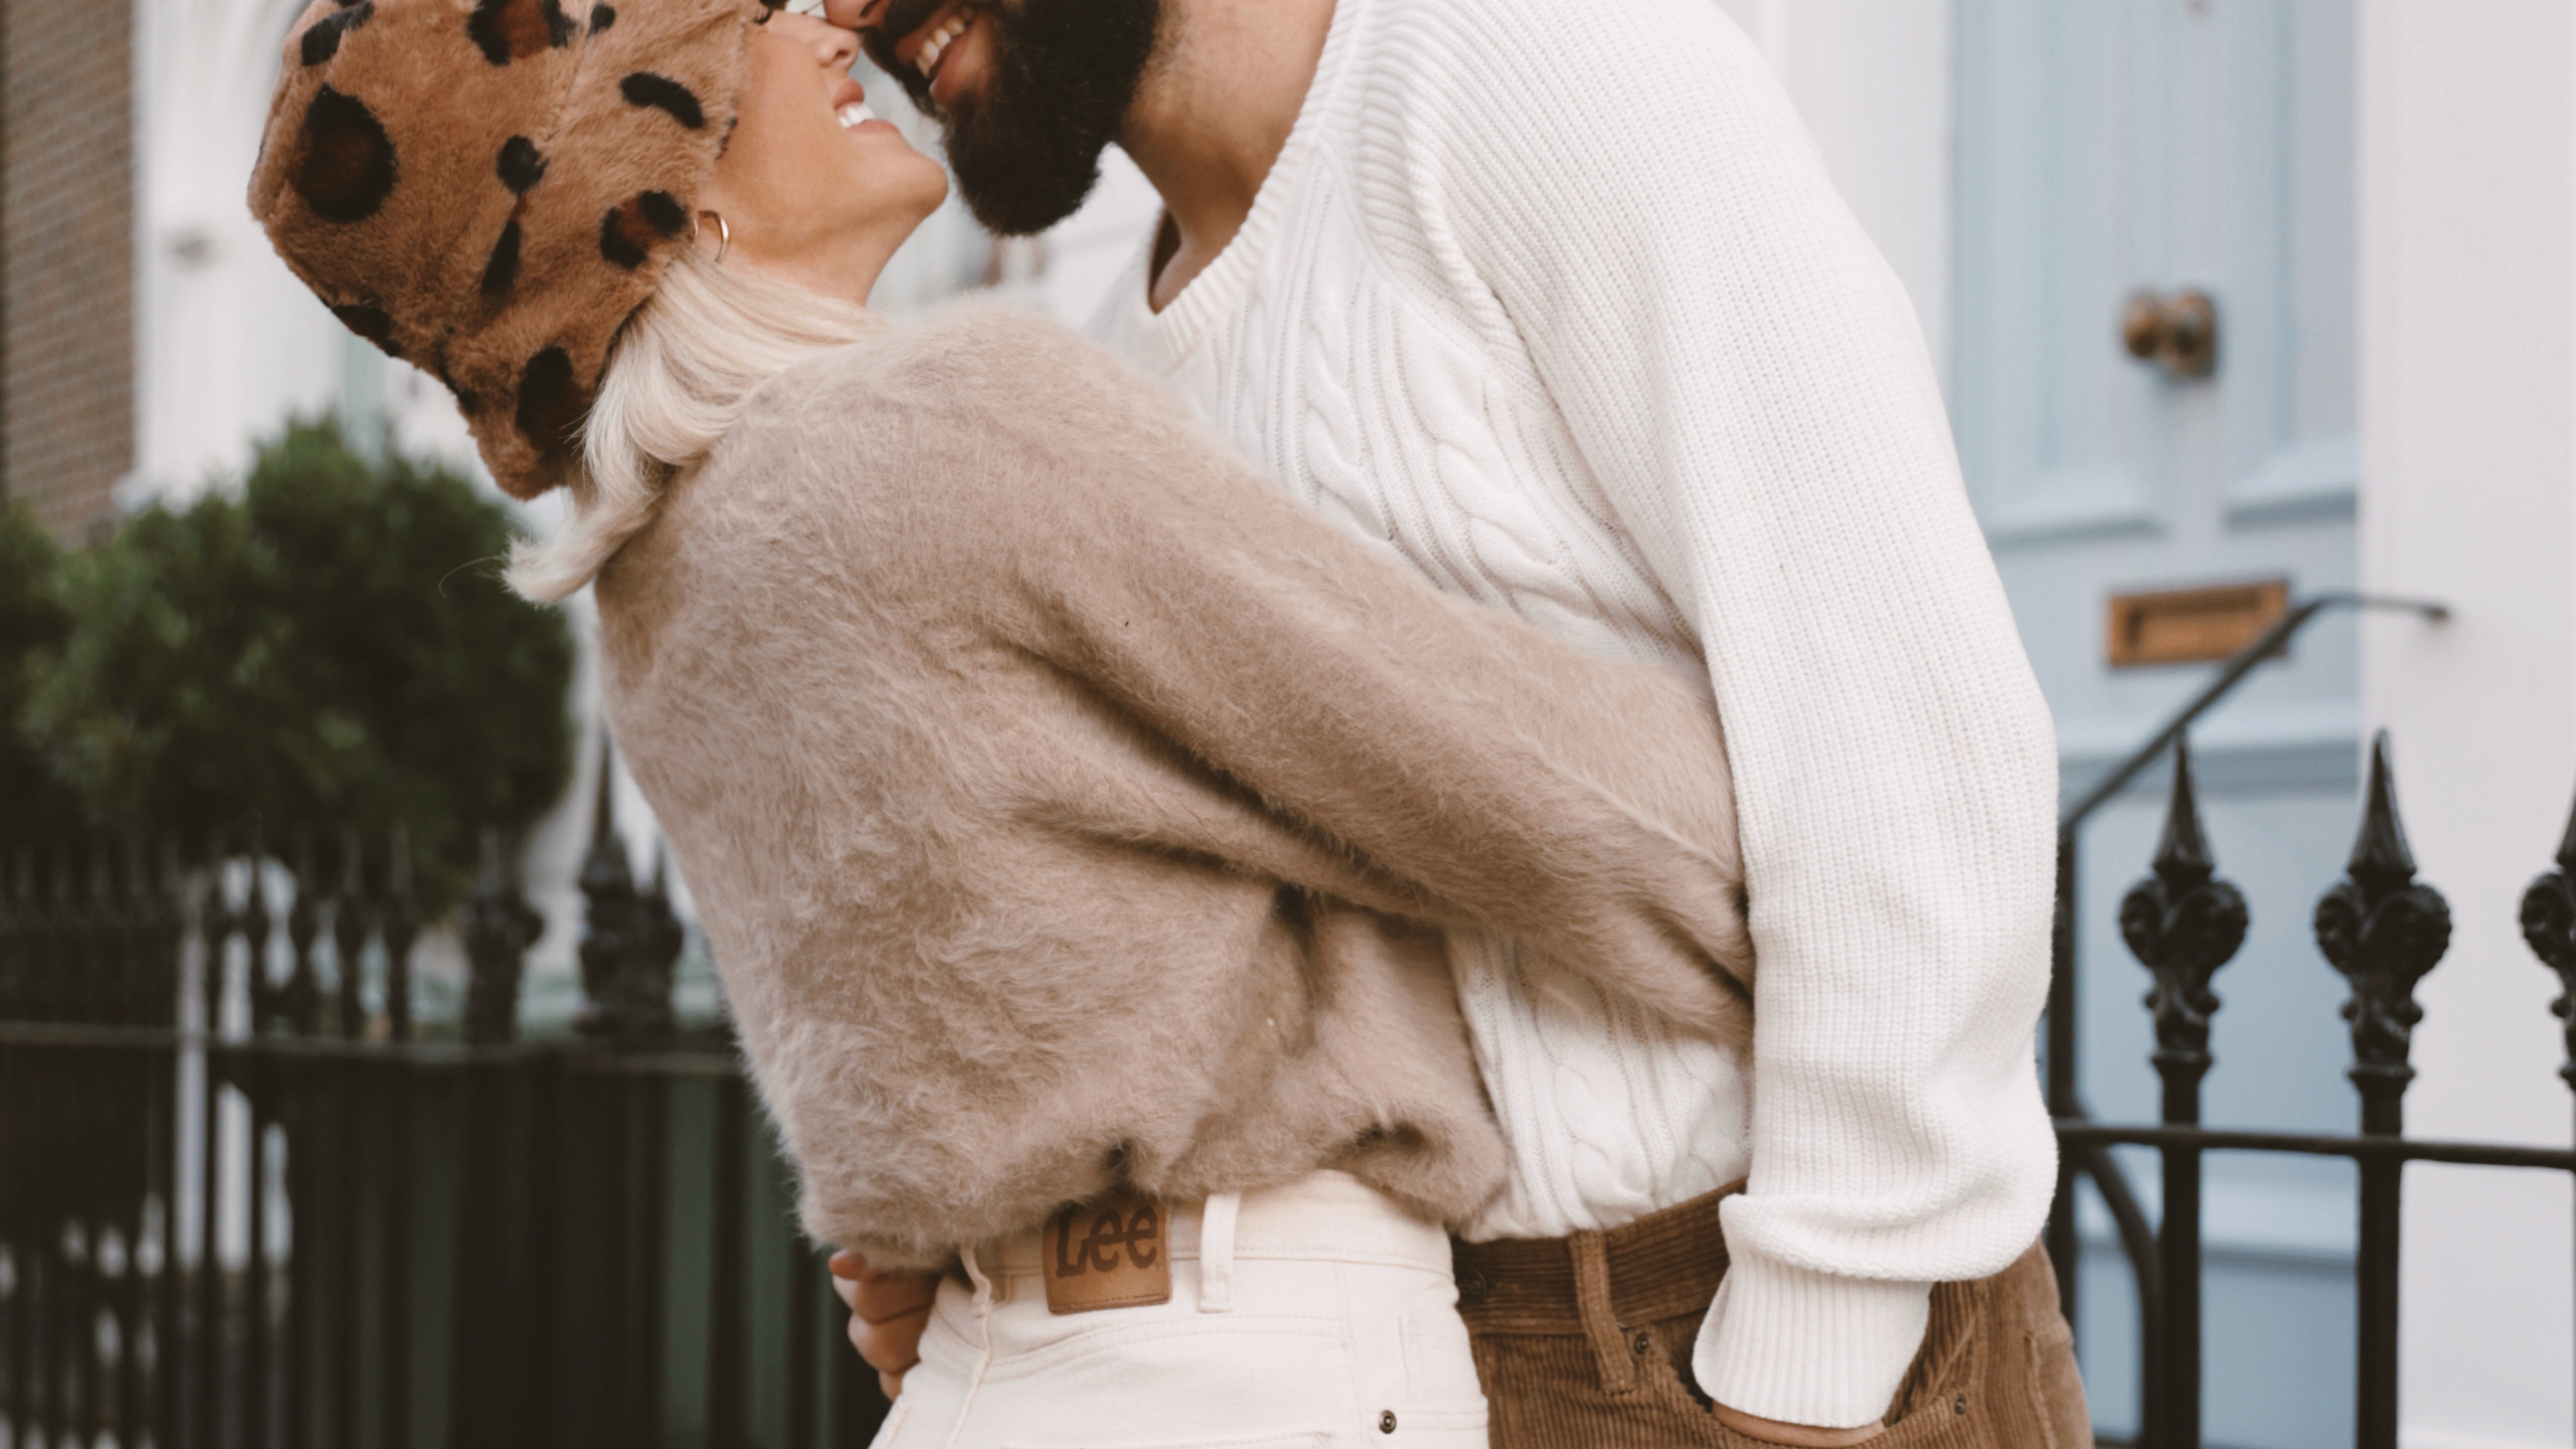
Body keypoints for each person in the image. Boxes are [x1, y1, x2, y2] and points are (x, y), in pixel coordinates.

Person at [250, 2, 1773, 1445]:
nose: (825, 31)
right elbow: (1512, 780)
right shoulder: (948, 432)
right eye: (738, 34)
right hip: (1255, 1371)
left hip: (996, 1374)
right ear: (662, 202)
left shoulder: (657, 593)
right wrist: (1809, 844)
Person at [820, 0, 2092, 1445]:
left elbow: (1904, 731)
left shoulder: (1541, 74)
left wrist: (1813, 1343)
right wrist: (985, 1248)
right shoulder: (1114, 375)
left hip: (1757, 1335)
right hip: (1412, 1356)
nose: (847, 13)